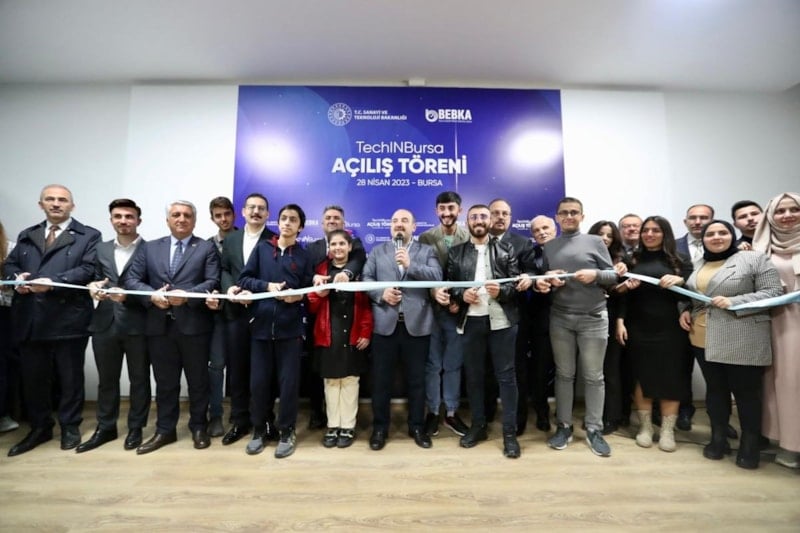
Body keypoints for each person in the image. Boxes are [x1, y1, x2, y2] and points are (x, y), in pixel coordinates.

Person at [6, 185, 101, 457]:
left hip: (68, 318)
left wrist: (54, 282)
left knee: (70, 378)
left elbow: (89, 269)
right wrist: (17, 278)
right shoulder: (28, 234)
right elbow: (11, 264)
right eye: (50, 199)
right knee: (33, 378)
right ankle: (40, 427)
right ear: (41, 205)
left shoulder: (89, 235)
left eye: (62, 200)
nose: (56, 204)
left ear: (72, 205)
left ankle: (70, 426)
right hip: (30, 318)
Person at [680, 220, 782, 469]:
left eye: (722, 232)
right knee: (716, 391)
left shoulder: (754, 259)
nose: (716, 237)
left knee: (746, 394)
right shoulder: (699, 263)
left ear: (732, 235)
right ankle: (718, 438)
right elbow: (694, 294)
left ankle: (750, 444)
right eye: (710, 234)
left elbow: (774, 292)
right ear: (703, 239)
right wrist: (684, 309)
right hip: (702, 336)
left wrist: (735, 301)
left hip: (741, 334)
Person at [124, 200, 220, 454]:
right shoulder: (150, 248)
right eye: (176, 214)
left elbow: (213, 280)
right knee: (165, 383)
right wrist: (151, 294)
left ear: (194, 221)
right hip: (159, 327)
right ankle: (165, 430)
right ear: (167, 220)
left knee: (198, 382)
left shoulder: (206, 247)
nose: (181, 219)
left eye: (187, 215)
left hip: (194, 327)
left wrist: (188, 295)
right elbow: (132, 279)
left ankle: (198, 427)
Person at [535, 197, 621, 457]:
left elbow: (613, 276)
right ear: (557, 217)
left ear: (582, 216)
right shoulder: (550, 246)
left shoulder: (595, 242)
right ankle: (564, 426)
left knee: (594, 376)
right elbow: (545, 280)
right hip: (561, 318)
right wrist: (548, 280)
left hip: (593, 318)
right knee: (564, 375)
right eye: (564, 213)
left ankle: (594, 428)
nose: (569, 216)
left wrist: (596, 275)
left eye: (574, 212)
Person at [237, 204, 313, 459]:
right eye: (284, 218)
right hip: (260, 328)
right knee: (258, 383)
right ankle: (260, 429)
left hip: (290, 331)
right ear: (278, 222)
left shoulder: (303, 256)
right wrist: (267, 286)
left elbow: (309, 291)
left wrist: (297, 297)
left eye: (293, 220)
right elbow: (244, 279)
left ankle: (287, 431)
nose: (287, 223)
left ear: (300, 227)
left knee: (288, 384)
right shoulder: (262, 249)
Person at [445, 204, 522, 458]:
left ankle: (509, 434)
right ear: (467, 222)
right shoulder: (456, 252)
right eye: (474, 217)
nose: (479, 220)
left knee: (506, 378)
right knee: (474, 377)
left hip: (502, 322)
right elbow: (450, 285)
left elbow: (515, 286)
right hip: (471, 322)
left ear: (490, 221)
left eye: (483, 216)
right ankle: (478, 427)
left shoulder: (506, 249)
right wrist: (461, 295)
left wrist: (503, 291)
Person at [362, 208, 442, 451]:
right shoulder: (378, 251)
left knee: (417, 381)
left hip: (417, 326)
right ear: (390, 226)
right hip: (384, 326)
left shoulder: (426, 251)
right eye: (395, 221)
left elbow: (437, 276)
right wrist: (381, 293)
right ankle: (380, 428)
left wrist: (411, 264)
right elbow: (365, 279)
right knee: (381, 381)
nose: (399, 224)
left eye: (404, 221)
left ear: (413, 227)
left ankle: (417, 426)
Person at [77, 199, 151, 453]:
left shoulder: (151, 250)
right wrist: (93, 286)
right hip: (104, 323)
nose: (123, 221)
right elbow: (94, 278)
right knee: (107, 380)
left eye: (129, 216)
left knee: (139, 379)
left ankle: (136, 427)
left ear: (138, 221)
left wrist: (128, 296)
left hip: (138, 323)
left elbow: (153, 288)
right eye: (118, 216)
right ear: (111, 220)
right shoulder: (101, 249)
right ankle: (106, 427)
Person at [616, 216, 692, 452]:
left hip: (671, 328)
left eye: (655, 230)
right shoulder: (631, 259)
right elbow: (622, 296)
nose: (649, 234)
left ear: (665, 233)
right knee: (642, 377)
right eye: (646, 230)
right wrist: (620, 321)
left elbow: (694, 294)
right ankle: (646, 428)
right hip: (638, 326)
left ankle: (668, 430)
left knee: (671, 377)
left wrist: (681, 281)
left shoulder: (680, 261)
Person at [215, 193, 277, 446]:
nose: (256, 212)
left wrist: (254, 293)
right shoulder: (231, 239)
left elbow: (275, 275)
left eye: (261, 208)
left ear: (267, 214)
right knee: (237, 370)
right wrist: (229, 288)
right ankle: (240, 421)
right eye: (251, 207)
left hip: (263, 313)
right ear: (243, 212)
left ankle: (266, 420)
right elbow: (225, 269)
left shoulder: (274, 240)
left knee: (264, 372)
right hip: (235, 314)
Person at [307, 229, 373, 448]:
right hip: (328, 335)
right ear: (329, 248)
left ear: (349, 247)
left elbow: (366, 305)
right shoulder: (321, 270)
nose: (338, 248)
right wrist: (319, 295)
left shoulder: (359, 270)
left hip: (352, 334)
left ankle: (348, 427)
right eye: (333, 244)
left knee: (350, 381)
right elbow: (311, 306)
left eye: (342, 244)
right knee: (331, 382)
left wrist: (365, 331)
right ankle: (333, 425)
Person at [752, 192, 800, 469]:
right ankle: (789, 443)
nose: (787, 215)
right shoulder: (760, 247)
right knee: (784, 383)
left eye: (794, 209)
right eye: (780, 211)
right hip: (777, 323)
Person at [419, 191, 470, 437]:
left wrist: (458, 299)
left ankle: (450, 412)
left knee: (453, 364)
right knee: (432, 365)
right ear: (436, 211)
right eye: (442, 208)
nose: (447, 213)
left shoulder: (469, 236)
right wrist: (434, 292)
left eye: (451, 208)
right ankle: (432, 412)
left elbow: (473, 273)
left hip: (458, 311)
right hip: (431, 311)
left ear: (459, 210)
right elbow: (420, 273)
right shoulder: (425, 237)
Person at [487, 198, 534, 433]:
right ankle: (486, 415)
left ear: (511, 217)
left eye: (505, 213)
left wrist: (529, 277)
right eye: (495, 213)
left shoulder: (522, 243)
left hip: (513, 315)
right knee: (486, 367)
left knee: (517, 368)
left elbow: (533, 270)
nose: (500, 217)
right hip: (483, 314)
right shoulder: (478, 241)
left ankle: (518, 418)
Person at [671, 203, 715, 431]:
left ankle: (718, 416)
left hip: (715, 317)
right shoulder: (671, 246)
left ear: (712, 220)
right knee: (681, 368)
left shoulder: (722, 244)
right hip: (680, 317)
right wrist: (683, 308)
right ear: (685, 221)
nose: (698, 222)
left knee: (715, 372)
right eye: (693, 218)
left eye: (703, 218)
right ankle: (684, 410)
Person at [587, 220, 628, 435]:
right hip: (585, 317)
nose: (604, 238)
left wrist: (620, 321)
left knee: (610, 370)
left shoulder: (621, 262)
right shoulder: (584, 258)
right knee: (592, 371)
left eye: (609, 235)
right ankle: (594, 415)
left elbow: (623, 297)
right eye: (600, 234)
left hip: (611, 319)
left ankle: (612, 417)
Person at [206, 196, 238, 438]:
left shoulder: (246, 239)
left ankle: (238, 413)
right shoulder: (206, 245)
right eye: (218, 215)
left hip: (242, 312)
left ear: (234, 214)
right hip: (215, 314)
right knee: (216, 366)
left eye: (227, 214)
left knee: (240, 366)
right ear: (212, 218)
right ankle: (215, 415)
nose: (223, 219)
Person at [524, 215, 558, 432]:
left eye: (545, 228)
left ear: (555, 229)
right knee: (540, 370)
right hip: (540, 320)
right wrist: (539, 282)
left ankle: (564, 413)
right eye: (536, 230)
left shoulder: (569, 250)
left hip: (571, 316)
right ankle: (542, 412)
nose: (542, 232)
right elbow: (526, 277)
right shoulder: (530, 254)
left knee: (567, 371)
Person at [0, 220, 20, 434]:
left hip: (5, 313)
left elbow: (20, 281)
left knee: (3, 365)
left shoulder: (11, 248)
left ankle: (3, 414)